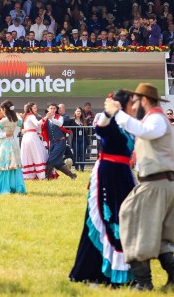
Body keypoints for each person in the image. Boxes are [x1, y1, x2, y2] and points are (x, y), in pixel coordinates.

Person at [105, 83, 174, 292]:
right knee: (160, 234)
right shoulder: (155, 118)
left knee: (130, 221)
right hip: (162, 183)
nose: (134, 104)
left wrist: (118, 113)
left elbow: (143, 131)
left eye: (136, 100)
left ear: (145, 100)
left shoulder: (156, 119)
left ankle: (143, 282)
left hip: (156, 184)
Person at [69, 90, 137, 286]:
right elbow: (101, 129)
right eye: (131, 104)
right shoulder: (111, 121)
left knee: (124, 220)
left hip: (124, 174)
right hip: (108, 174)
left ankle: (124, 272)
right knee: (105, 219)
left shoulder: (129, 124)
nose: (134, 107)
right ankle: (96, 273)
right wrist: (108, 113)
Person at [43, 102, 77, 179]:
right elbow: (41, 126)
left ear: (56, 110)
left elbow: (59, 124)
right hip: (52, 142)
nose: (52, 110)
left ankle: (46, 177)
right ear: (48, 109)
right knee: (57, 162)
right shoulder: (45, 119)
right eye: (51, 108)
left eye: (54, 108)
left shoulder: (60, 117)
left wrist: (51, 118)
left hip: (60, 142)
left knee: (51, 159)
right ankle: (72, 175)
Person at [19, 102, 48, 180]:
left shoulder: (26, 116)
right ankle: (41, 175)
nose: (36, 109)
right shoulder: (31, 116)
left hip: (26, 137)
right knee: (37, 154)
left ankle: (29, 174)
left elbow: (35, 127)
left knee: (28, 155)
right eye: (34, 108)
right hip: (32, 136)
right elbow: (37, 124)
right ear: (30, 108)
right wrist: (45, 118)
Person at [64, 107, 89, 172]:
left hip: (83, 139)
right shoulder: (71, 121)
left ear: (81, 113)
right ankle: (77, 168)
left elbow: (88, 130)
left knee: (82, 153)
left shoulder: (84, 121)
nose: (78, 113)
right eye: (77, 111)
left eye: (80, 111)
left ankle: (82, 168)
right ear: (75, 112)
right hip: (75, 139)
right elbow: (64, 126)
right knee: (76, 153)